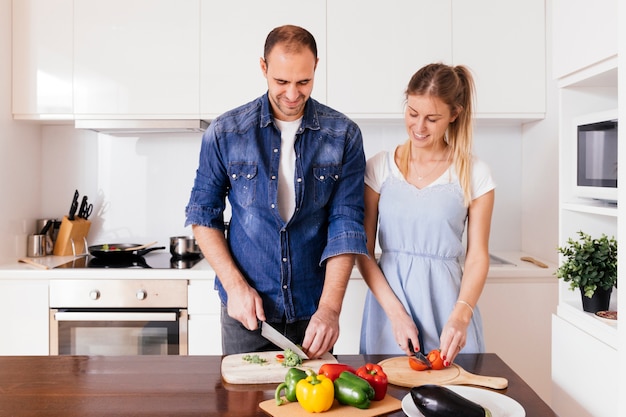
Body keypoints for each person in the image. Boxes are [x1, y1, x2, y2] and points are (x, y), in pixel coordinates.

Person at [185, 25, 368, 359]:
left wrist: (329, 308)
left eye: (304, 82)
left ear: (316, 67)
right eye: (281, 82)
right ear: (263, 67)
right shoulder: (226, 132)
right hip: (246, 314)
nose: (293, 94)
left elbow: (347, 225)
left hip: (314, 315)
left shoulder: (343, 135)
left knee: (314, 409)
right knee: (243, 409)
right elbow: (202, 215)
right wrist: (235, 286)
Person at [356, 63, 495, 367]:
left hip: (450, 310)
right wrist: (396, 314)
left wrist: (462, 314)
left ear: (454, 115)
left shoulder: (475, 173)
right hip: (388, 311)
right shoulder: (379, 167)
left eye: (432, 119)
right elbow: (363, 252)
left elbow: (477, 256)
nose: (419, 127)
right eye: (413, 113)